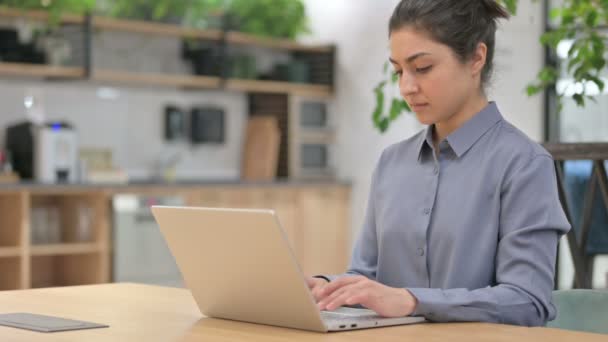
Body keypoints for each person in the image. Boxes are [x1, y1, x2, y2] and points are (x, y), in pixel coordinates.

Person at [306, 0, 570, 326]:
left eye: (423, 68)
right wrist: (331, 288)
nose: (406, 87)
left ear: (476, 57)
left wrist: (412, 300)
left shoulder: (525, 165)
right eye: (399, 70)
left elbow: (528, 301)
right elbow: (367, 274)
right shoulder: (391, 163)